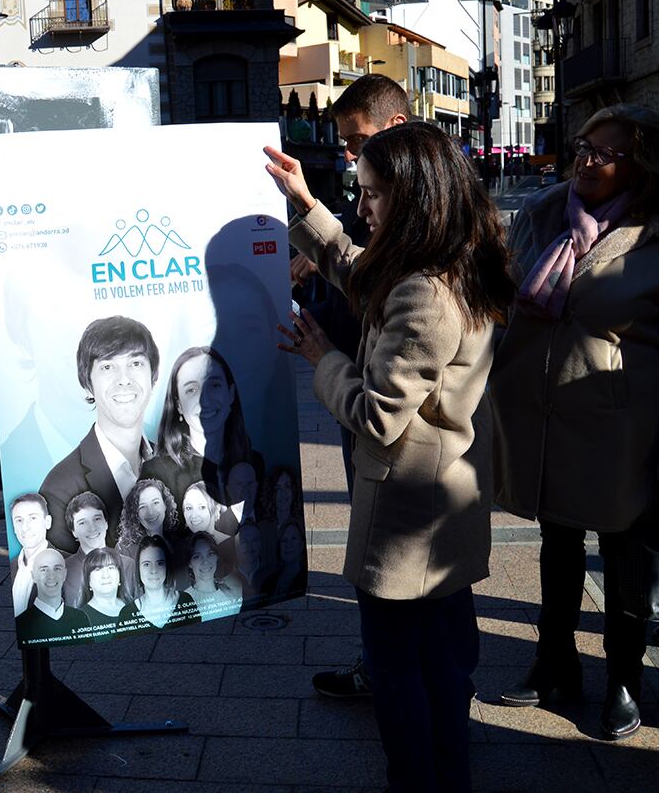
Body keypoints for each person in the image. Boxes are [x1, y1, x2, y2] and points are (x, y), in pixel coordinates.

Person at [268, 119, 514, 792]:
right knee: (442, 656)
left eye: (372, 192)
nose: (362, 204)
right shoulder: (452, 259)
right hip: (446, 499)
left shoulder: (423, 292)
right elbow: (362, 277)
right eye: (359, 188)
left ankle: (419, 779)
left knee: (401, 666)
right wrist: (306, 203)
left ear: (414, 197)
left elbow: (377, 416)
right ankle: (444, 771)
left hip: (411, 512)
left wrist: (326, 361)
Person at [492, 104, 659, 741]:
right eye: (583, 147)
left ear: (641, 165)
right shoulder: (540, 218)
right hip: (545, 423)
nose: (586, 161)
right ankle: (553, 661)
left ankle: (624, 676)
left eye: (604, 152)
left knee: (626, 560)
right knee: (556, 549)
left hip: (626, 434)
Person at [291, 73, 410, 701]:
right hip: (360, 402)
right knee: (377, 556)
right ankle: (388, 667)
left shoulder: (426, 233)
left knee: (397, 565)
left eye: (356, 142)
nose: (347, 158)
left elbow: (366, 280)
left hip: (391, 428)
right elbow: (350, 269)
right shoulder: (385, 208)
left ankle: (403, 681)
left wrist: (322, 357)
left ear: (394, 131)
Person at [40, 315, 160, 553]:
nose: (124, 380)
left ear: (153, 376)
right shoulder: (59, 489)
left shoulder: (172, 461)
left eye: (135, 364)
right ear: (88, 383)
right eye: (107, 367)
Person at [142, 345, 261, 523]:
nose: (205, 400)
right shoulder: (156, 474)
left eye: (213, 385)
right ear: (178, 405)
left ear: (231, 394)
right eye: (191, 390)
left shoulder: (255, 463)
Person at [61, 491, 137, 608]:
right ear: (74, 532)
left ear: (106, 523)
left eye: (96, 519)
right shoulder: (64, 571)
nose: (92, 528)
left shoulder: (128, 565)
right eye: (82, 523)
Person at [118, 534, 201, 632]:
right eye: (146, 564)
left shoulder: (186, 601)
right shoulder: (126, 614)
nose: (153, 570)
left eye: (160, 563)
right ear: (138, 569)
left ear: (167, 567)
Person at [16, 548, 88, 645]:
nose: (51, 576)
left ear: (65, 574)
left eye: (57, 568)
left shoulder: (81, 617)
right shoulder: (23, 623)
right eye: (43, 569)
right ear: (33, 576)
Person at [9, 492, 54, 616]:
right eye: (19, 520)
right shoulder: (10, 567)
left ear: (47, 522)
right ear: (13, 527)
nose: (25, 527)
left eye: (33, 518)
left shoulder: (67, 564)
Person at [183, 531, 243, 621]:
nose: (205, 561)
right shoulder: (184, 601)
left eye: (210, 554)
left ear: (217, 557)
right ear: (190, 563)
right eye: (197, 557)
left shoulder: (232, 594)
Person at [116, 477, 180, 557]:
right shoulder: (125, 550)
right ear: (135, 514)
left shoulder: (179, 543)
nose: (150, 512)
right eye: (142, 507)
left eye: (155, 503)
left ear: (165, 505)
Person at [79, 546, 132, 635]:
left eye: (111, 568)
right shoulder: (81, 618)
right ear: (88, 580)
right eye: (98, 569)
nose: (105, 575)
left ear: (120, 575)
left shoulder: (133, 606)